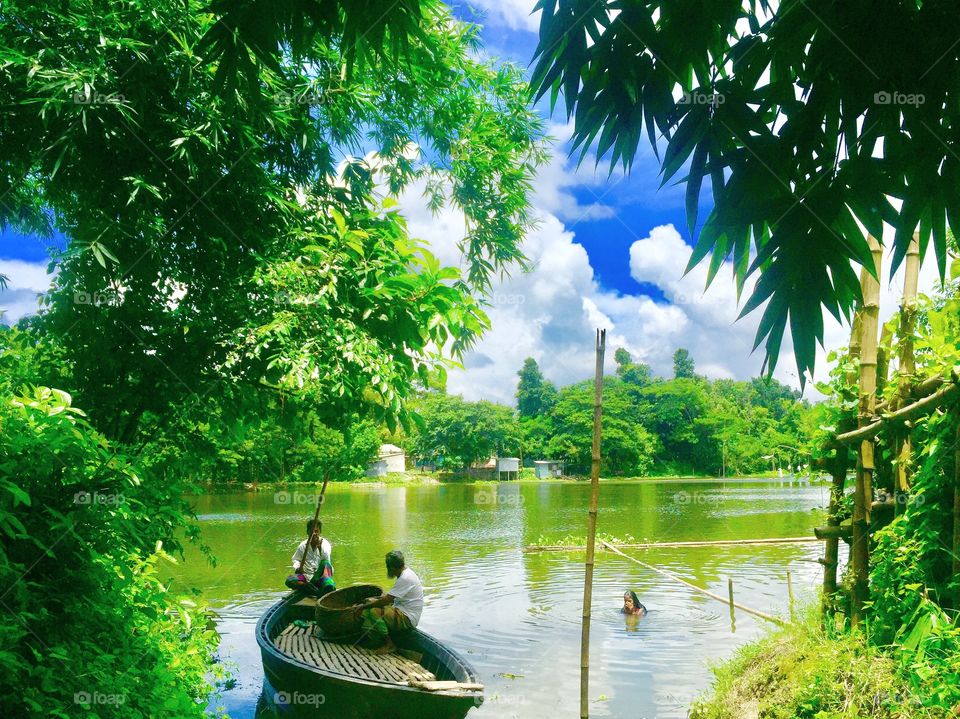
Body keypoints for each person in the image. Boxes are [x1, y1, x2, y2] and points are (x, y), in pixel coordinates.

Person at [355, 550, 423, 655]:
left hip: (407, 617)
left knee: (373, 611)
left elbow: (387, 600)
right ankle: (376, 639)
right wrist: (371, 601)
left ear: (392, 568)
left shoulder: (405, 578)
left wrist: (362, 607)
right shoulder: (404, 574)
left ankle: (390, 644)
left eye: (388, 567)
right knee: (369, 606)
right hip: (401, 610)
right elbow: (391, 598)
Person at [284, 519, 335, 598]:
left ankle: (311, 588)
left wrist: (320, 549)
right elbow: (296, 559)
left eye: (316, 531)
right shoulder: (303, 545)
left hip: (321, 578)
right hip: (306, 577)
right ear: (307, 532)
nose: (314, 534)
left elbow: (326, 564)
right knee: (290, 580)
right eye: (311, 531)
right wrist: (298, 567)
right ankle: (315, 592)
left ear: (319, 532)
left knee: (329, 583)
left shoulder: (325, 545)